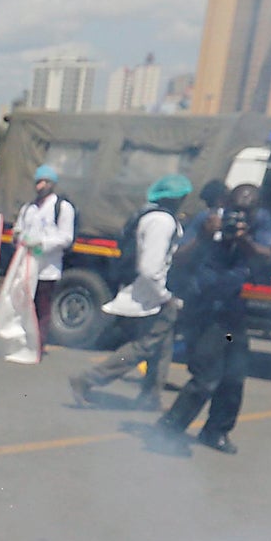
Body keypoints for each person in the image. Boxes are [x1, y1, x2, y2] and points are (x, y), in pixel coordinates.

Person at [152, 182, 271, 455]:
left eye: (247, 211)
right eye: (235, 209)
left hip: (233, 313)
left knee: (234, 373)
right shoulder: (205, 220)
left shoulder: (260, 222)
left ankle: (216, 431)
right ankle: (168, 430)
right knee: (206, 376)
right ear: (226, 203)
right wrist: (204, 237)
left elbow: (266, 257)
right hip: (204, 309)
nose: (239, 216)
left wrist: (244, 239)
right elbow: (178, 258)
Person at [70, 173, 192, 410]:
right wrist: (165, 297)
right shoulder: (162, 222)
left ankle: (151, 396)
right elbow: (149, 268)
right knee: (144, 346)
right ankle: (87, 379)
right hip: (152, 294)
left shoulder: (150, 215)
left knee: (162, 345)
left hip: (148, 292)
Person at [15, 164, 77, 344]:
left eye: (45, 182)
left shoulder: (62, 208)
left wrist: (42, 244)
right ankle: (21, 340)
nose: (41, 185)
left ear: (52, 184)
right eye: (38, 181)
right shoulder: (28, 207)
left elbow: (66, 238)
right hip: (26, 266)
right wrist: (19, 236)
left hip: (47, 267)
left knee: (42, 308)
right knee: (24, 305)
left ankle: (37, 343)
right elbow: (19, 228)